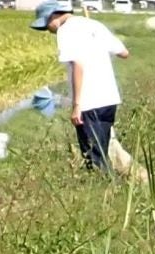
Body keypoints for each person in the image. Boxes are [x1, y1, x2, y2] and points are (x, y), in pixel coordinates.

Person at [31, 0, 129, 172]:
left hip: (89, 102)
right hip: (109, 99)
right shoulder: (94, 25)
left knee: (93, 158)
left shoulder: (66, 31)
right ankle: (109, 182)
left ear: (53, 16)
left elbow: (78, 65)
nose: (48, 29)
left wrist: (77, 106)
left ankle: (103, 185)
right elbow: (124, 53)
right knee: (101, 151)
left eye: (46, 24)